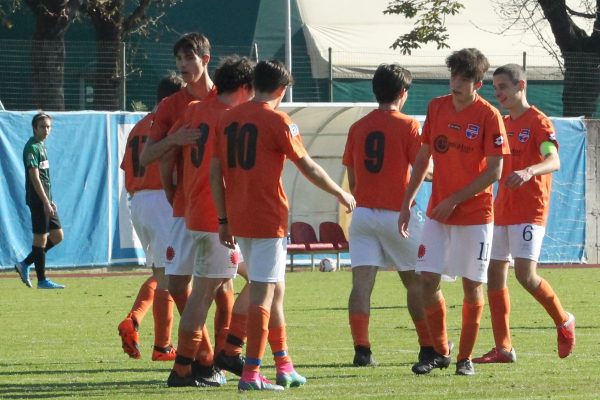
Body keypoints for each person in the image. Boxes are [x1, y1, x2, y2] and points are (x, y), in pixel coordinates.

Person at [211, 59, 356, 391]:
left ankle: (283, 365)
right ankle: (249, 372)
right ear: (282, 89)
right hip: (266, 217)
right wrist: (339, 191)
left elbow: (214, 173)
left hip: (239, 215)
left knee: (275, 291)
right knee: (264, 294)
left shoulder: (227, 118)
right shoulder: (278, 120)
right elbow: (307, 166)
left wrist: (223, 218)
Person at [398, 48, 510, 376]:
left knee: (472, 285)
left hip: (475, 215)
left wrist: (456, 199)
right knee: (426, 280)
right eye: (453, 75)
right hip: (437, 214)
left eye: (463, 77)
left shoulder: (490, 116)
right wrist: (406, 203)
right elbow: (422, 158)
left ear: (478, 83)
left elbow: (494, 171)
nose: (456, 82)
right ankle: (440, 350)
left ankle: (465, 359)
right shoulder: (436, 107)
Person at [472, 64, 575, 364]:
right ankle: (503, 347)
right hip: (502, 210)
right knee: (493, 274)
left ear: (521, 86)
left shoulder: (539, 122)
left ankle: (564, 320)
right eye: (495, 88)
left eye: (503, 87)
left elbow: (553, 160)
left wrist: (530, 170)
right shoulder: (502, 124)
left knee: (525, 275)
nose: (498, 93)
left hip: (530, 210)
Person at [165, 55, 255, 388]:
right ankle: (188, 367)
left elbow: (168, 155)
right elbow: (228, 171)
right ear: (246, 88)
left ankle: (210, 360)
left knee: (240, 282)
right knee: (210, 291)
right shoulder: (234, 117)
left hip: (193, 213)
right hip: (217, 218)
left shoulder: (194, 109)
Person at [343, 63, 432, 367]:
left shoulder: (358, 127)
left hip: (364, 214)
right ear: (403, 93)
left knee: (362, 284)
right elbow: (423, 169)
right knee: (416, 282)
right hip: (397, 214)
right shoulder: (408, 125)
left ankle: (362, 350)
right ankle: (428, 346)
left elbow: (352, 181)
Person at [117, 74, 184, 361]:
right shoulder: (169, 124)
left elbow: (127, 169)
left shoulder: (138, 127)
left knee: (162, 272)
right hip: (161, 199)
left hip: (139, 201)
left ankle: (143, 329)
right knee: (171, 274)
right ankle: (165, 345)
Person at [15, 112, 65, 289]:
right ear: (35, 128)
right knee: (40, 239)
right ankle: (42, 280)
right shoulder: (32, 148)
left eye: (49, 126)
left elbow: (45, 178)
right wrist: (44, 201)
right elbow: (35, 177)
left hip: (45, 200)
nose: (47, 130)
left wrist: (50, 200)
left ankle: (24, 264)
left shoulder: (41, 146)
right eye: (43, 126)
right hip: (37, 200)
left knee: (58, 235)